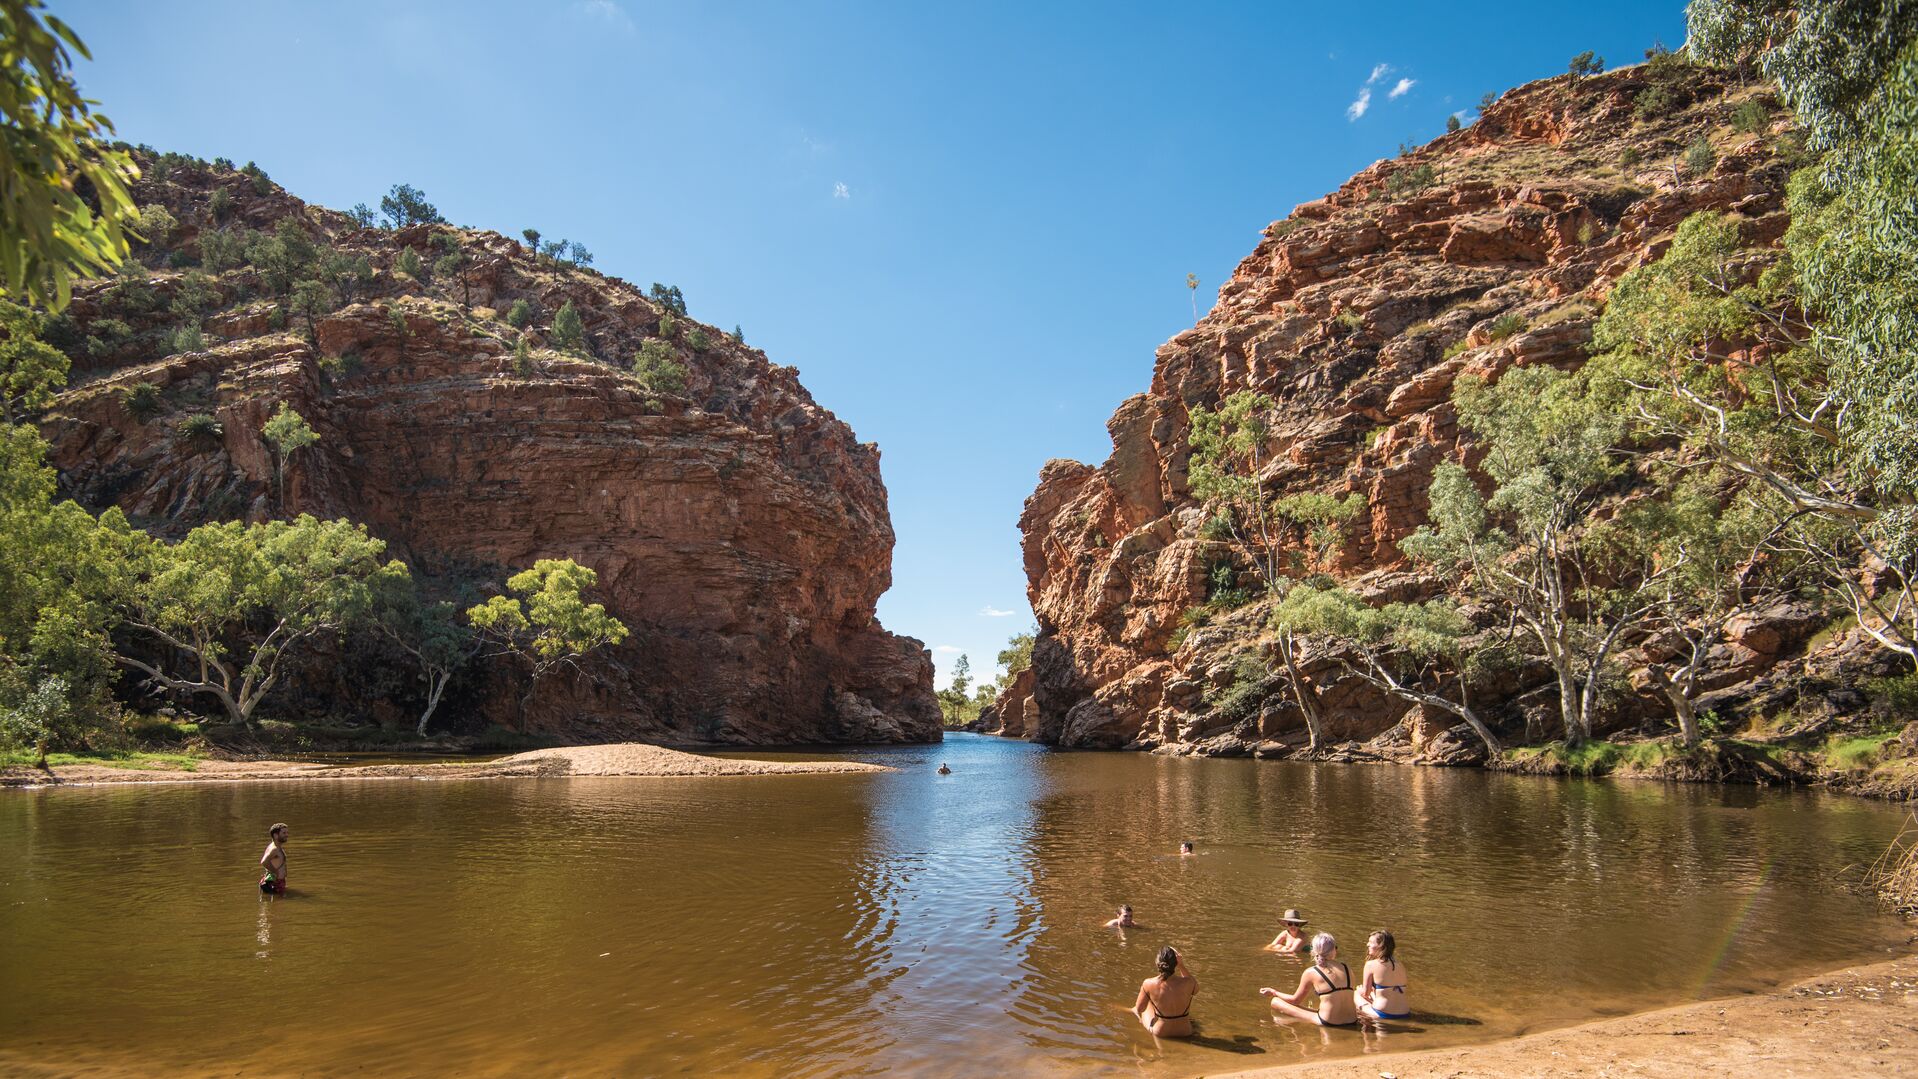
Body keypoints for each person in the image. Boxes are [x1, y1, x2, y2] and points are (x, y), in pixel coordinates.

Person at [1260, 933, 1358, 1027]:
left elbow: (1295, 1001)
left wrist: (1274, 992)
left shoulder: (1311, 972)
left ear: (1313, 951)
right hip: (1352, 1020)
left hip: (1328, 1022)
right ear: (1334, 950)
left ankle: (1292, 1021)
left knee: (1276, 1001)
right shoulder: (1346, 967)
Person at [1132, 946, 1198, 1038]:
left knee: (1141, 1007)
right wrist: (1181, 965)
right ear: (1176, 963)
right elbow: (1195, 991)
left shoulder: (1148, 983)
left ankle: (1129, 1011)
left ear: (1157, 963)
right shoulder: (1189, 982)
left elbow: (1140, 1009)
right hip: (1186, 1031)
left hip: (1161, 1032)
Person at [1357, 929, 1410, 1019]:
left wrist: (1359, 991)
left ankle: (1365, 1029)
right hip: (1405, 1012)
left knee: (1356, 995)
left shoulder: (1371, 964)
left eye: (1371, 942)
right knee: (1375, 994)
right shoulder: (1400, 964)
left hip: (1383, 1014)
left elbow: (1365, 994)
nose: (1367, 944)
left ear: (1381, 946)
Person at [258, 823, 289, 895]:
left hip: (277, 881)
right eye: (284, 833)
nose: (287, 835)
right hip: (275, 882)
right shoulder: (274, 849)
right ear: (275, 835)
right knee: (279, 905)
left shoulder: (276, 846)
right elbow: (264, 862)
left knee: (276, 904)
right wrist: (275, 872)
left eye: (287, 832)